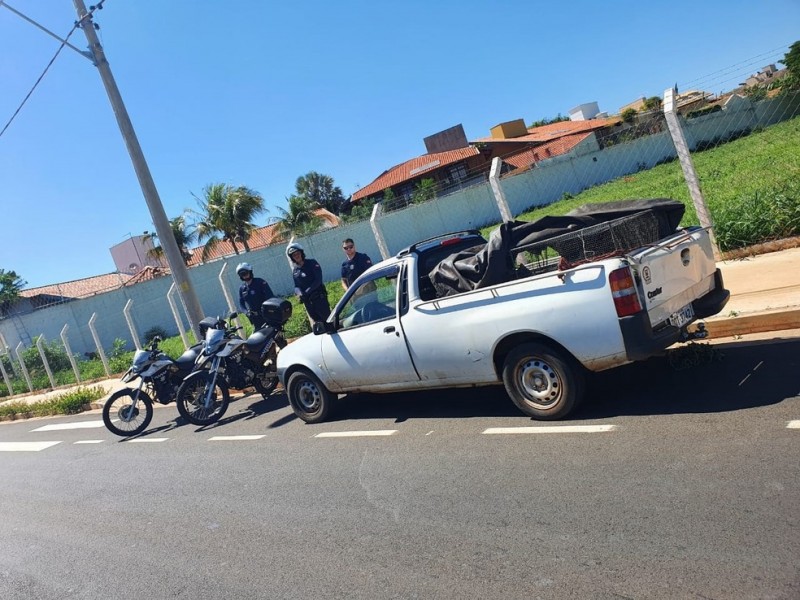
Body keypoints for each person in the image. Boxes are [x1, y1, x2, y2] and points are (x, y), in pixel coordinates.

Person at [287, 242, 331, 323]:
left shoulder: (312, 263)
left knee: (328, 321)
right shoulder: (295, 271)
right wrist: (298, 294)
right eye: (294, 255)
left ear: (301, 253)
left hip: (319, 299)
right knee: (318, 324)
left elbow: (318, 280)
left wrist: (306, 292)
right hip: (308, 303)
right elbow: (297, 286)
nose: (296, 256)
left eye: (298, 253)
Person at [236, 262, 274, 330]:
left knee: (273, 333)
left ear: (250, 272)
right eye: (241, 274)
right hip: (255, 318)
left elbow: (270, 296)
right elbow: (241, 304)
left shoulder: (260, 282)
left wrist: (267, 309)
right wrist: (246, 312)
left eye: (245, 273)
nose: (244, 275)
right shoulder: (242, 288)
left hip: (266, 314)